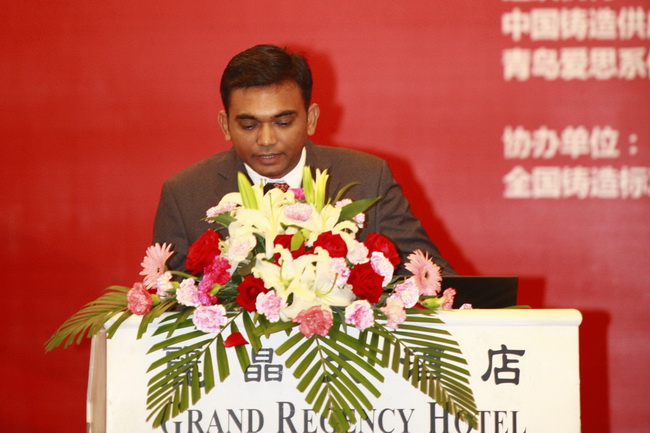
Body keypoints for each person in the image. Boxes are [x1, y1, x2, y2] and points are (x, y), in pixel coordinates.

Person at [153, 44, 455, 274]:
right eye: (249, 125)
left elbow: (431, 277)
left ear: (310, 119)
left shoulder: (366, 179)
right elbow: (165, 304)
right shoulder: (185, 195)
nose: (266, 139)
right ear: (225, 125)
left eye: (283, 122)